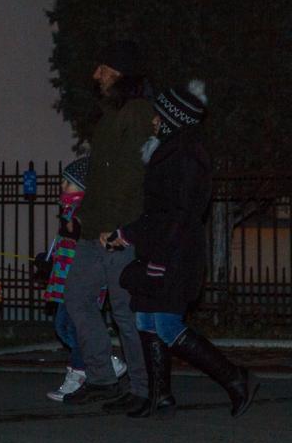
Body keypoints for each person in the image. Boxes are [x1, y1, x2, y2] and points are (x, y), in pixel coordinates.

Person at [101, 81, 260, 419]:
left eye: (158, 116)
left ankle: (236, 379)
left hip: (174, 254)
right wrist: (127, 234)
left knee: (168, 326)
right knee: (146, 319)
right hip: (160, 249)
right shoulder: (170, 151)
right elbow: (158, 212)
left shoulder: (186, 156)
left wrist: (158, 256)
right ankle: (160, 396)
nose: (154, 121)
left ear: (173, 119)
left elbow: (179, 214)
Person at [62, 41, 154, 409]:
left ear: (120, 72)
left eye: (102, 68)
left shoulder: (137, 113)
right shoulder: (111, 114)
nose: (95, 75)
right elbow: (102, 177)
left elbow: (133, 177)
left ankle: (143, 388)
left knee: (125, 312)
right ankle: (102, 377)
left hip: (120, 232)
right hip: (94, 230)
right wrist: (84, 216)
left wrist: (118, 226)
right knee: (77, 299)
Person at [43, 156, 127, 401]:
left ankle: (80, 371)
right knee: (65, 326)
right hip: (64, 278)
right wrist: (48, 260)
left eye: (69, 183)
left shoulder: (85, 212)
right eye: (63, 181)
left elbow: (86, 246)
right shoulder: (68, 210)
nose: (63, 186)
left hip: (79, 280)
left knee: (75, 326)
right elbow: (64, 244)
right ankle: (102, 360)